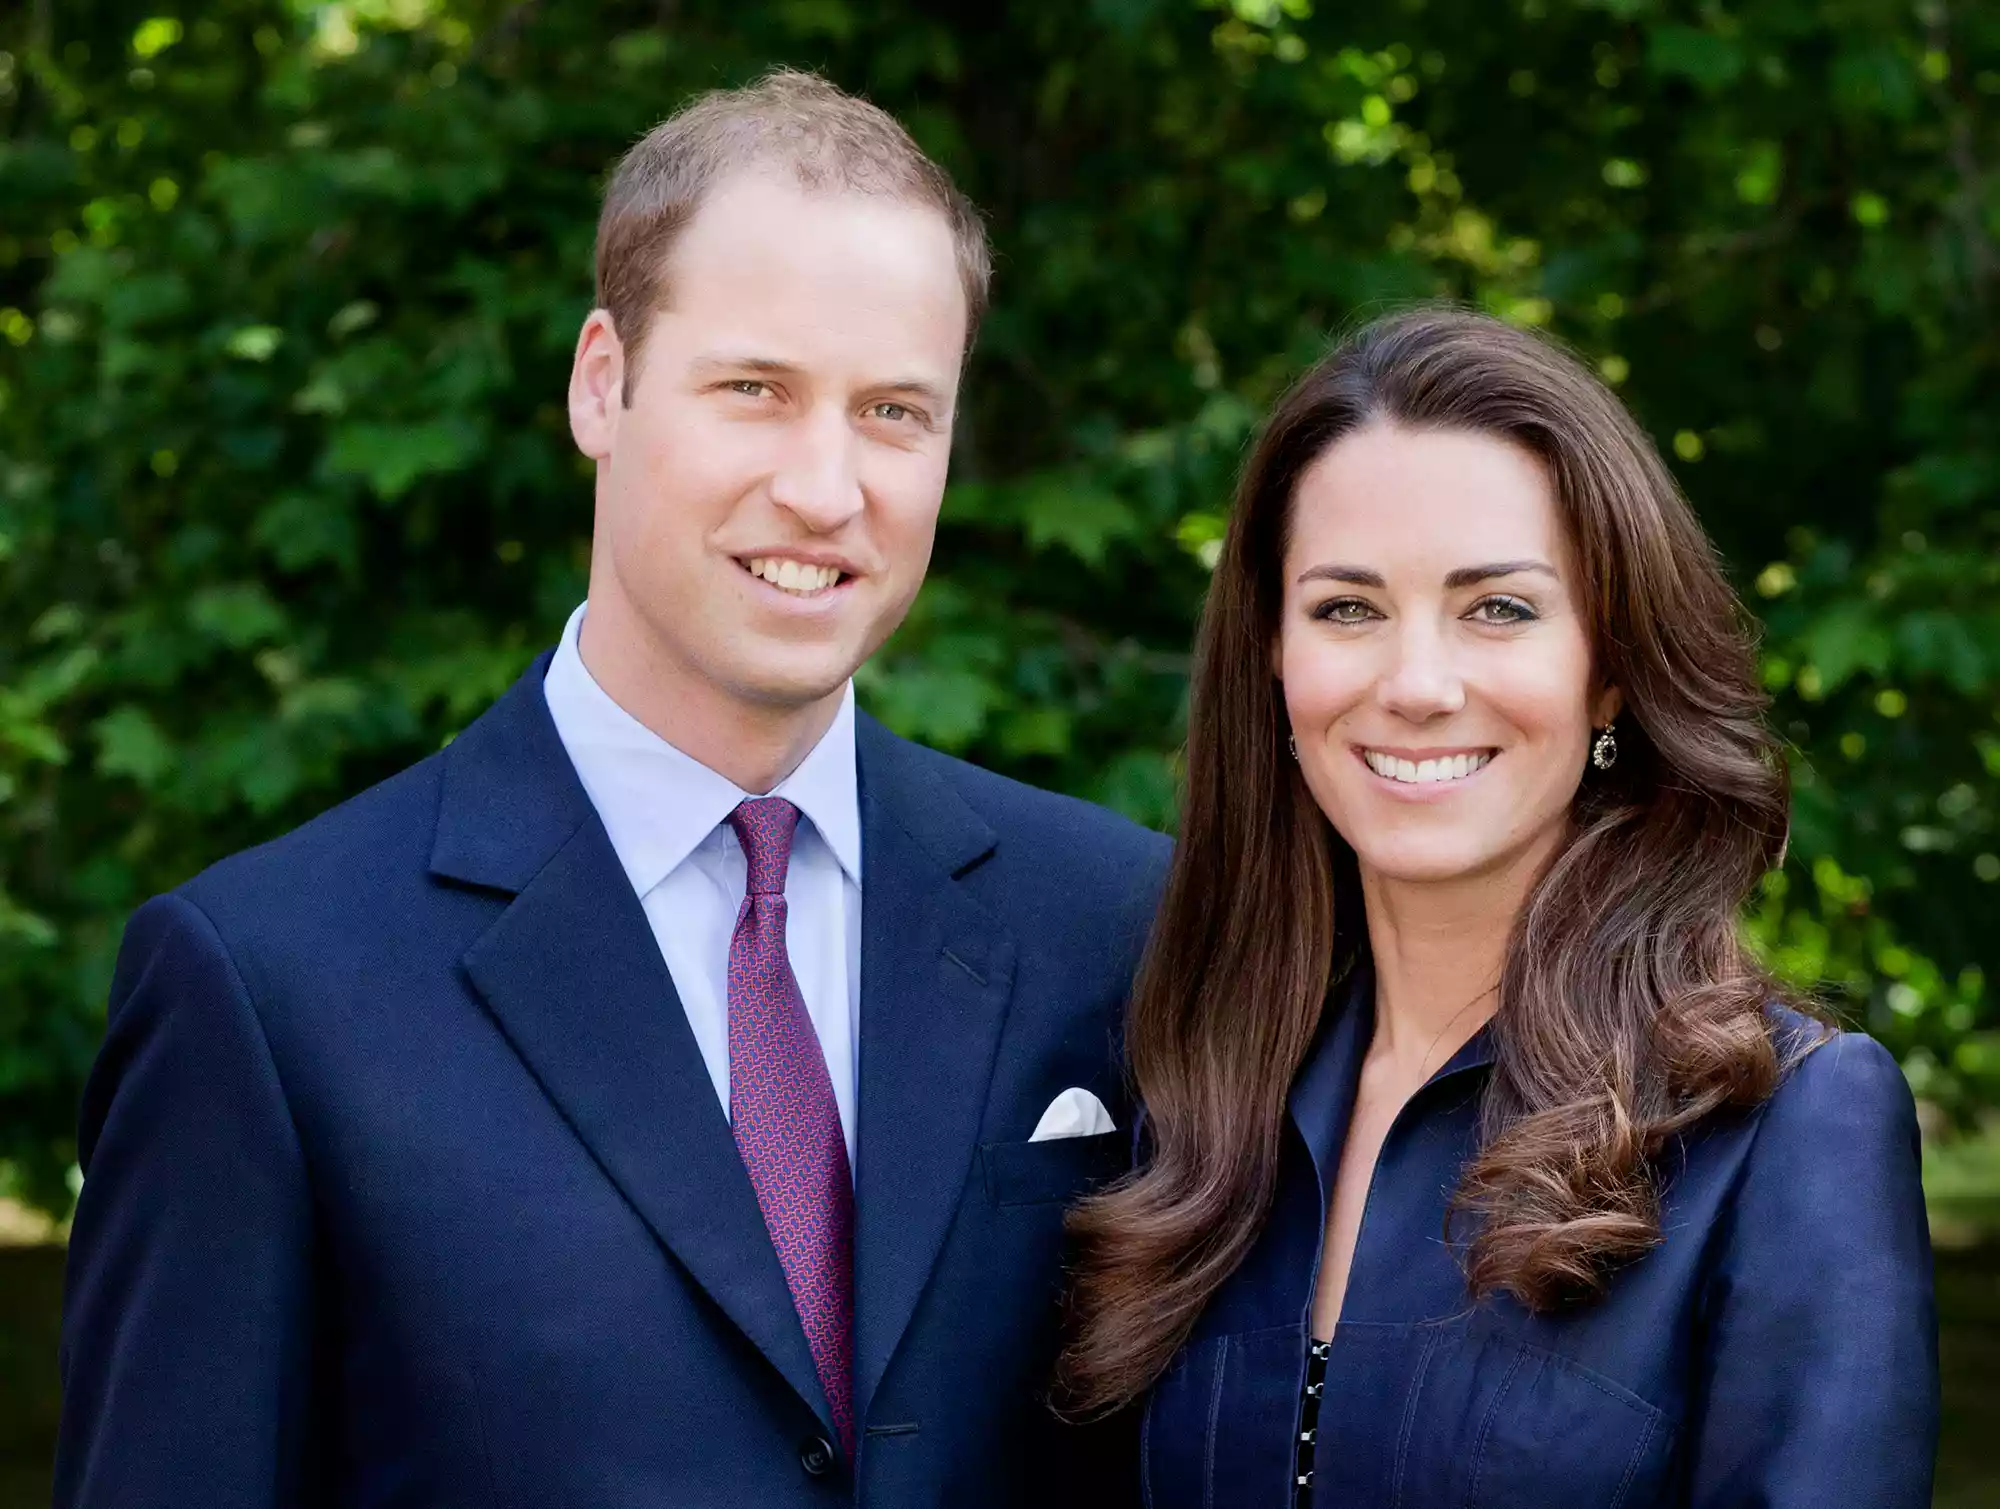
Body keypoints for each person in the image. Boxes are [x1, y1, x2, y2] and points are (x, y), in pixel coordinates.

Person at [56, 70, 1168, 1507]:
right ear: (602, 382)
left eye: (895, 410)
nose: (827, 487)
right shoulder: (266, 989)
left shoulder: (1112, 921)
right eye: (754, 390)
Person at [1055, 307, 1938, 1507]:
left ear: (1610, 669)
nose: (1415, 685)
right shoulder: (1186, 1098)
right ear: (1272, 658)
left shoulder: (1777, 1130)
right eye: (1346, 609)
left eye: (1498, 609)